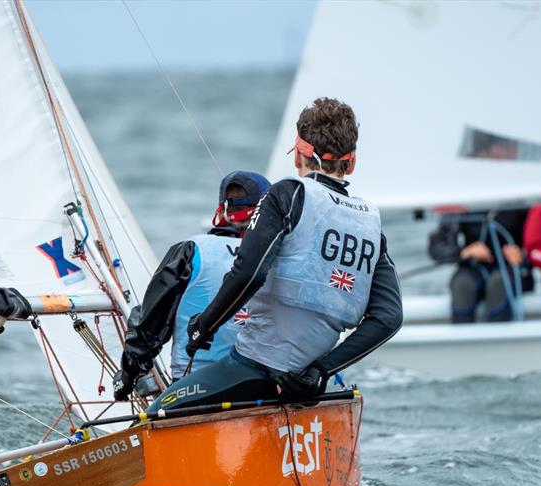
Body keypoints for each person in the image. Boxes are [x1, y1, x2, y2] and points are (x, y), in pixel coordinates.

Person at [145, 97, 403, 413]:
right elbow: (388, 318)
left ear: (298, 156)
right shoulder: (372, 227)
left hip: (255, 369)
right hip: (307, 384)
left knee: (157, 412)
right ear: (351, 163)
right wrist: (320, 370)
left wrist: (204, 326)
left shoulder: (287, 194)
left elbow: (249, 273)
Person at [113, 171, 271, 401]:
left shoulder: (192, 250)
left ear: (221, 210)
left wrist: (129, 375)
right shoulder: (280, 256)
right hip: (264, 386)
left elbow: (150, 323)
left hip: (196, 388)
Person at [427, 209, 533, 323]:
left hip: (513, 269)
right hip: (473, 268)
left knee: (498, 283)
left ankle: (499, 336)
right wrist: (463, 252)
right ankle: (462, 336)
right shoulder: (460, 203)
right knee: (462, 285)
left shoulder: (522, 202)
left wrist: (522, 254)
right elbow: (437, 246)